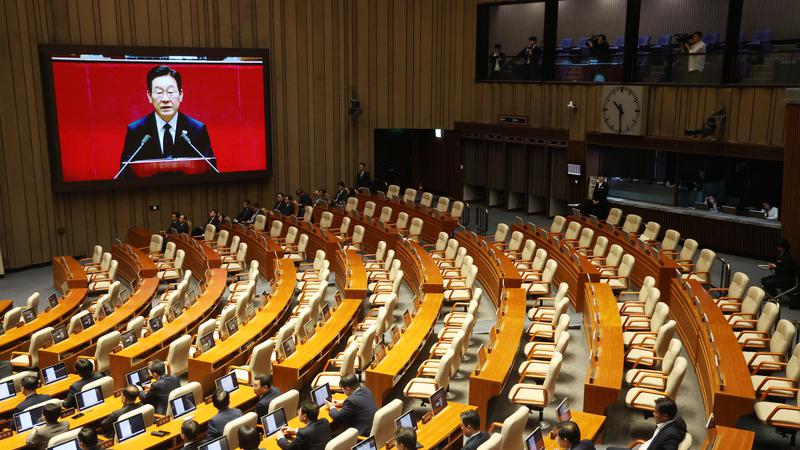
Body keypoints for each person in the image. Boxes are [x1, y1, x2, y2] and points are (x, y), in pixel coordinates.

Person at [119, 65, 216, 176]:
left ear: (181, 95)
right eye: (159, 92)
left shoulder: (197, 130)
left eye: (170, 92)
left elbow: (211, 173)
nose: (165, 99)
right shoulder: (136, 132)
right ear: (149, 96)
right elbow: (124, 175)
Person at [608, 397, 686, 450]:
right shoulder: (677, 420)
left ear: (665, 416)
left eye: (656, 412)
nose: (653, 414)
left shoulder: (670, 435)